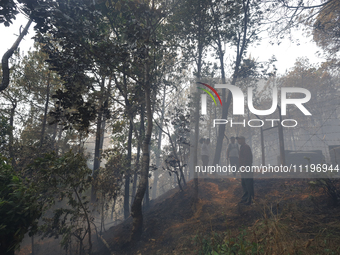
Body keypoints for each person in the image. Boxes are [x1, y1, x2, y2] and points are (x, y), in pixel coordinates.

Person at [236, 136, 254, 205]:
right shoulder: (242, 147)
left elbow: (247, 158)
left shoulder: (246, 147)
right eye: (238, 139)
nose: (238, 141)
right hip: (243, 168)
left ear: (243, 139)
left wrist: (244, 166)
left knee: (248, 184)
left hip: (247, 168)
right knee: (244, 183)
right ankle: (245, 199)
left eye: (239, 139)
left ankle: (250, 200)